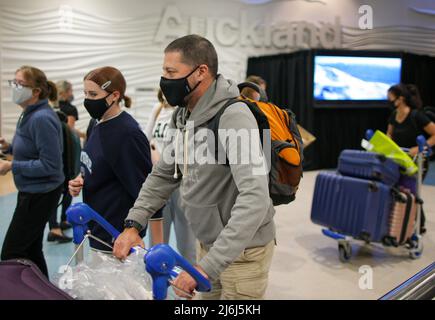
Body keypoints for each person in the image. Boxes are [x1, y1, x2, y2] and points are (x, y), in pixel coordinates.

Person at [113, 35, 275, 300]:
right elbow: (163, 175)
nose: (165, 80)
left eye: (171, 72)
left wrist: (205, 267)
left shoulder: (233, 116)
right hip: (209, 244)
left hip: (244, 252)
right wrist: (133, 224)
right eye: (163, 71)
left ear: (201, 72)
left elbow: (255, 198)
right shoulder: (185, 115)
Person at [68, 66, 163, 252]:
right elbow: (98, 165)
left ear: (114, 95)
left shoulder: (127, 134)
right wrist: (82, 180)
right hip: (95, 227)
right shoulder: (95, 123)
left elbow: (148, 190)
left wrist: (157, 247)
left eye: (93, 95)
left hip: (118, 236)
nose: (88, 100)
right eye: (85, 93)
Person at [0, 66, 64, 278]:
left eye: (20, 84)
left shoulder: (41, 118)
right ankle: (42, 291)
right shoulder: (28, 114)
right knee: (31, 251)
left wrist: (12, 165)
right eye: (14, 82)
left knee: (12, 252)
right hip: (32, 190)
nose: (14, 88)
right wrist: (9, 148)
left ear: (36, 91)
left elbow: (51, 165)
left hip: (40, 193)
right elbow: (32, 149)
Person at [145, 89, 196, 264]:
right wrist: (153, 151)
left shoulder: (185, 112)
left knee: (186, 236)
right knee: (158, 235)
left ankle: (190, 279)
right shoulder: (158, 109)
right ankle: (157, 276)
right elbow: (147, 138)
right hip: (160, 179)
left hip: (182, 181)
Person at [387, 83, 435, 234]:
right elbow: (389, 134)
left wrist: (420, 147)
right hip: (399, 158)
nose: (389, 100)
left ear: (400, 98)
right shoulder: (394, 115)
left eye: (391, 97)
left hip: (417, 161)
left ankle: (418, 226)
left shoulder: (417, 115)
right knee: (397, 190)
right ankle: (399, 223)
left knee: (412, 192)